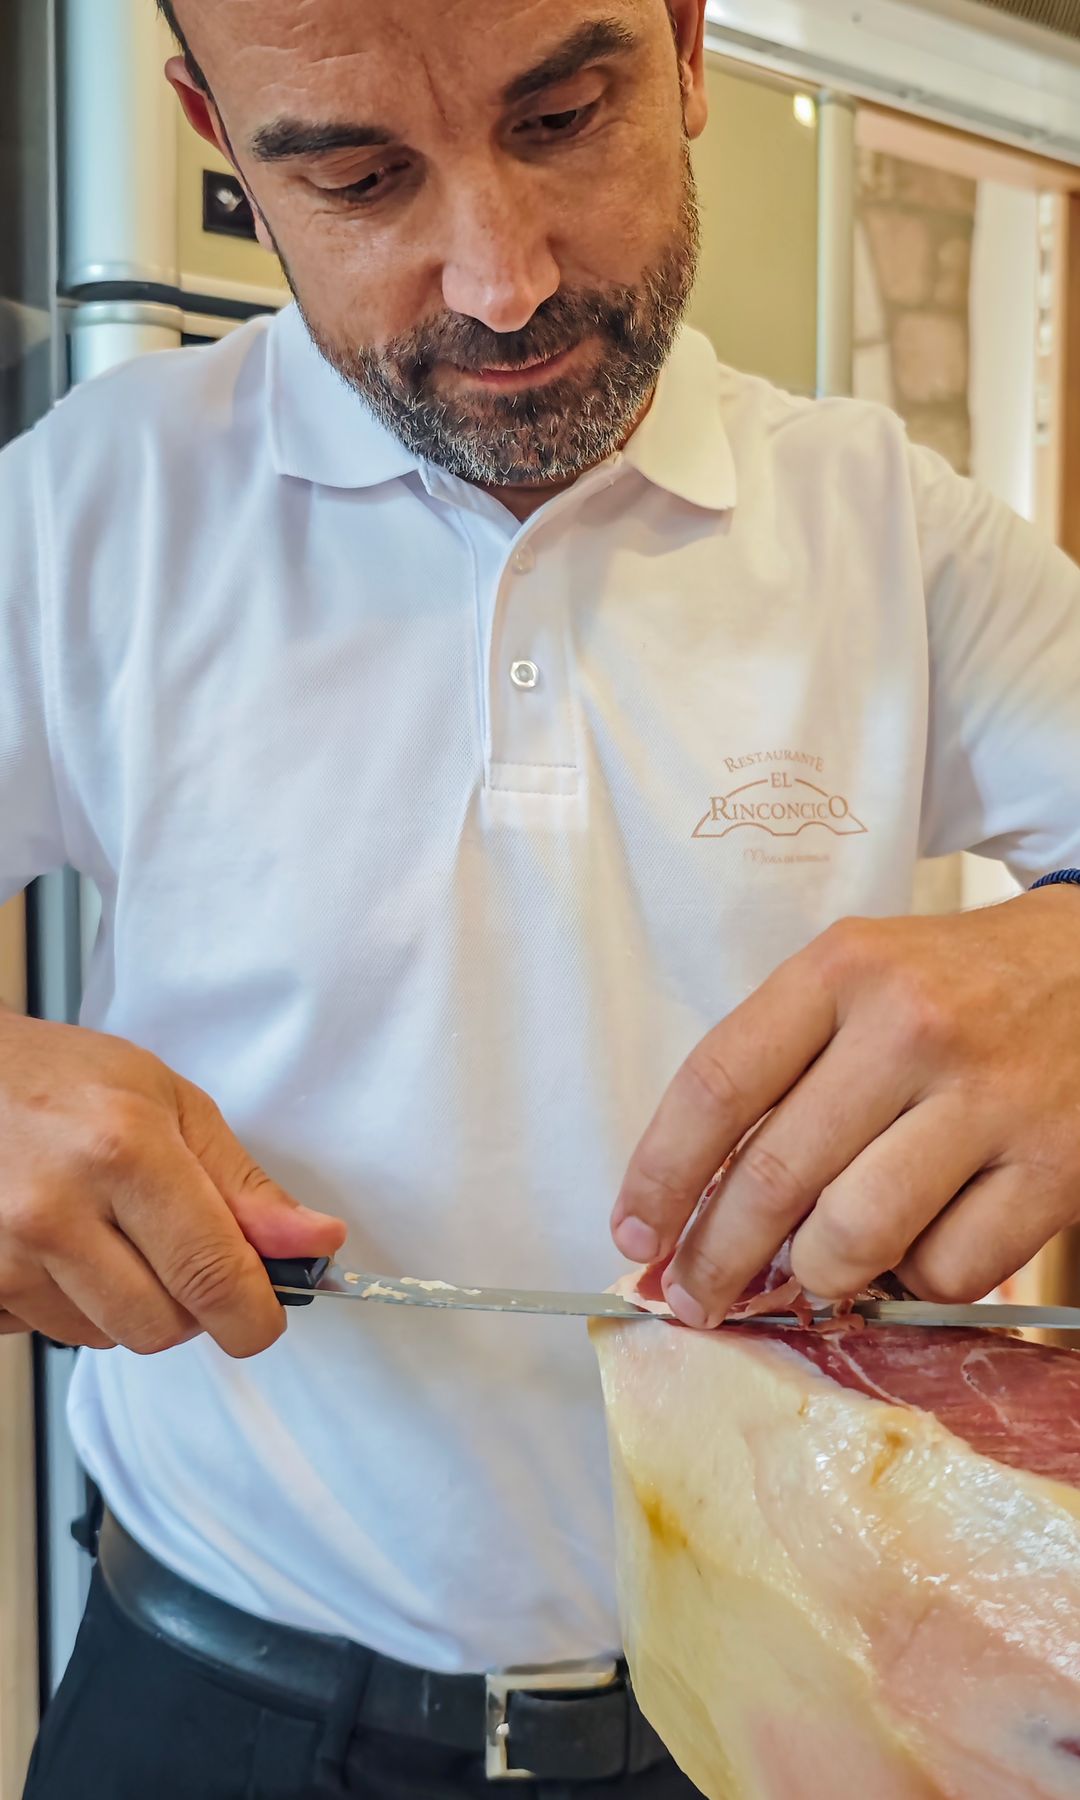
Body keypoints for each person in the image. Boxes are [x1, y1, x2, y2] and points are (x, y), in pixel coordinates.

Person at [4, 0, 1080, 1793]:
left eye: (567, 116)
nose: (500, 282)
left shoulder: (891, 529)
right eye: (357, 179)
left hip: (770, 1717)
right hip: (213, 1705)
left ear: (680, 50)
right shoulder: (88, 515)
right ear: (217, 136)